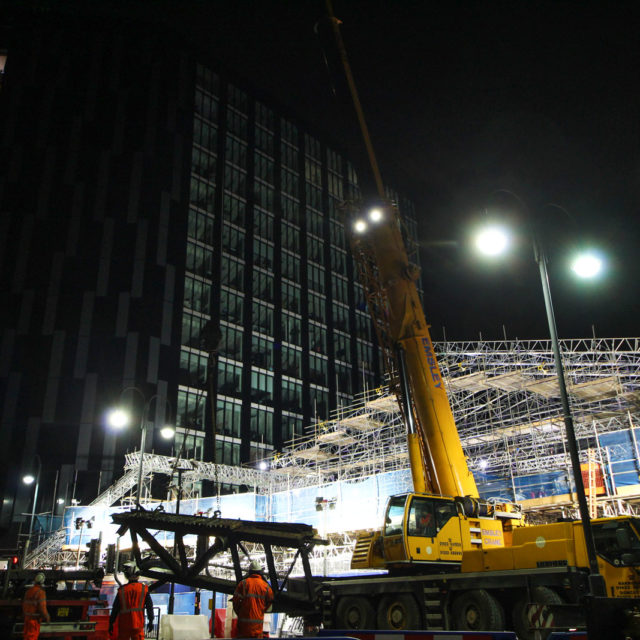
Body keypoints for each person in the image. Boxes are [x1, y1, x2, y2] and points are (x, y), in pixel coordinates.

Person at [109, 562, 154, 640]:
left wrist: (111, 623)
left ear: (127, 576)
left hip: (124, 624)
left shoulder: (122, 590)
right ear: (138, 576)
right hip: (138, 623)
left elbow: (115, 608)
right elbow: (149, 607)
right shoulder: (144, 589)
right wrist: (151, 621)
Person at [232, 560, 274, 638]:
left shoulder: (243, 584)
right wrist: (261, 610)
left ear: (250, 572)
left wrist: (240, 613)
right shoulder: (266, 587)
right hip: (257, 630)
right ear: (260, 572)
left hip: (243, 630)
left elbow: (235, 602)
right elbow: (270, 603)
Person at [22, 572, 50, 640]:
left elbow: (24, 605)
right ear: (43, 581)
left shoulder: (29, 591)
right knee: (32, 637)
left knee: (26, 637)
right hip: (34, 621)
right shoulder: (41, 592)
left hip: (27, 619)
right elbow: (42, 608)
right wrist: (47, 617)